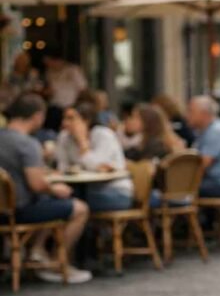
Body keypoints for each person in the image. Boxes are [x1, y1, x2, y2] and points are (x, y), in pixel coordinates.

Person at [0, 93, 91, 283]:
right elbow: (37, 184)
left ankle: (36, 252)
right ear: (37, 116)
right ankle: (56, 263)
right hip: (19, 210)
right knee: (79, 208)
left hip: (5, 208)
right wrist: (55, 188)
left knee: (47, 202)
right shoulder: (27, 144)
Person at [56, 101, 134, 213]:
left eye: (71, 119)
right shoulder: (64, 137)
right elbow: (62, 167)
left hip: (115, 191)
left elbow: (97, 167)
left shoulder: (103, 135)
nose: (65, 123)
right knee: (60, 197)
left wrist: (82, 142)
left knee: (74, 200)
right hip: (86, 188)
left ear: (86, 121)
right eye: (64, 118)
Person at [41, 50, 87, 132]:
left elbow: (82, 89)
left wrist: (77, 104)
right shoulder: (49, 72)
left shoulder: (73, 70)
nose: (48, 65)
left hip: (70, 106)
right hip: (54, 107)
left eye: (49, 62)